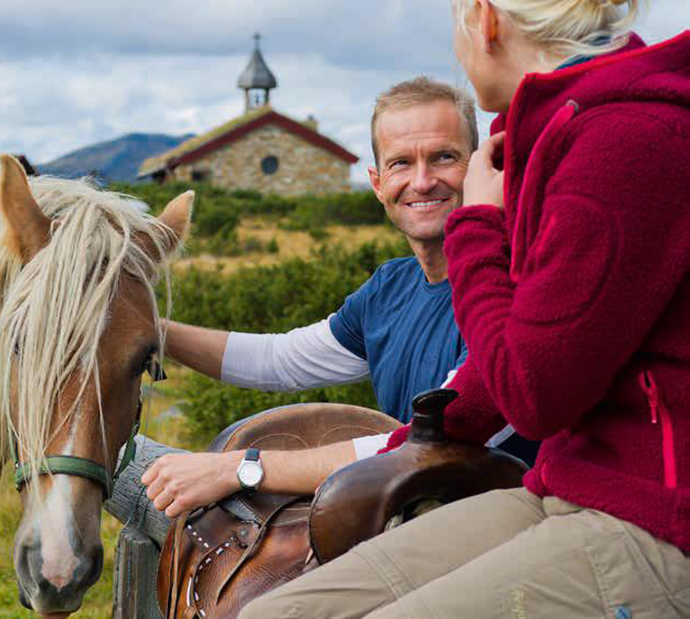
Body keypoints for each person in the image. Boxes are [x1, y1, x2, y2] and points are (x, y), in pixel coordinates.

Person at [240, 1, 689, 617]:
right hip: (568, 488)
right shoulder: (567, 131)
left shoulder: (627, 142)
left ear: (483, 19)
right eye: (400, 163)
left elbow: (533, 393)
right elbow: (494, 375)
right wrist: (401, 451)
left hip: (656, 520)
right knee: (272, 612)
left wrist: (477, 225)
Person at [108, 77, 536, 539]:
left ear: (480, 169)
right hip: (413, 522)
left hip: (503, 533)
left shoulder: (513, 283)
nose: (422, 180)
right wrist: (148, 327)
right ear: (376, 183)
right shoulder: (391, 288)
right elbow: (281, 360)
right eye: (400, 163)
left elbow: (430, 440)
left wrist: (241, 468)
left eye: (444, 157)